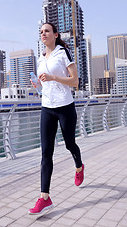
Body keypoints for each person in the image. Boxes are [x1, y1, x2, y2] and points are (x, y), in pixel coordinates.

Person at [28, 22, 84, 215]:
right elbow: (44, 87)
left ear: (55, 34)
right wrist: (37, 84)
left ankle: (79, 166)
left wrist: (53, 78)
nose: (43, 34)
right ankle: (45, 198)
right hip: (47, 108)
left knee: (70, 144)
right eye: (41, 31)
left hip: (65, 107)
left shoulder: (63, 52)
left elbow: (75, 81)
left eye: (47, 31)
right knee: (46, 153)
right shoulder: (41, 58)